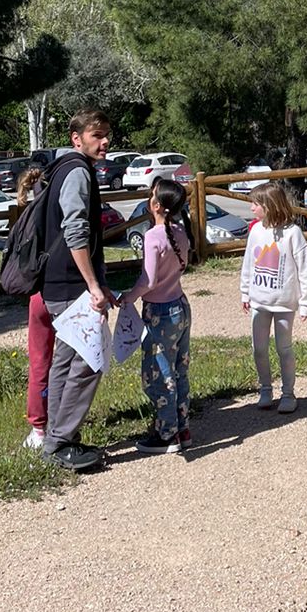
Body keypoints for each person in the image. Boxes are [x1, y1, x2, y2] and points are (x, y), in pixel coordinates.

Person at [38, 108, 115, 472]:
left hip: (58, 282)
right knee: (88, 361)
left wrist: (99, 281)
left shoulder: (62, 168)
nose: (105, 141)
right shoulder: (78, 172)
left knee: (66, 362)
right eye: (97, 135)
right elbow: (75, 232)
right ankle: (60, 442)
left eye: (107, 135)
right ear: (77, 138)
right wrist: (93, 285)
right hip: (71, 284)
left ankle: (57, 438)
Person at [121, 176, 192, 454]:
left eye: (152, 196)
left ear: (158, 206)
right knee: (179, 369)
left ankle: (166, 433)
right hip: (180, 305)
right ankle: (182, 426)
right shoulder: (181, 232)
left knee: (159, 373)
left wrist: (128, 297)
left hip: (159, 312)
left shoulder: (152, 237)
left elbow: (148, 280)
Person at [240, 181, 307, 413]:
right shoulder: (255, 231)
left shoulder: (293, 233)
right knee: (259, 348)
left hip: (284, 303)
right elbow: (248, 263)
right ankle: (265, 389)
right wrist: (245, 292)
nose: (252, 208)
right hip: (259, 302)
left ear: (269, 205)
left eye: (255, 204)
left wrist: (306, 302)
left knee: (284, 348)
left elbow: (304, 269)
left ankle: (288, 393)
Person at [18, 164, 54, 450]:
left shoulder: (29, 216)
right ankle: (64, 419)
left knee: (40, 361)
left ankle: (39, 427)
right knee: (68, 360)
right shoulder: (60, 215)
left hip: (38, 294)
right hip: (64, 292)